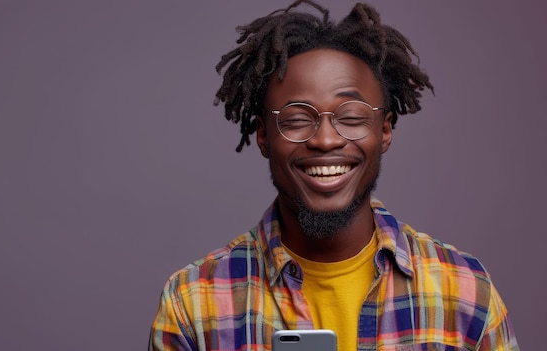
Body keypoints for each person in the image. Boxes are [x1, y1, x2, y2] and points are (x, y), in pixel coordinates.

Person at [149, 1, 519, 350]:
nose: (325, 140)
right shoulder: (193, 306)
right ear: (263, 134)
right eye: (296, 120)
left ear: (385, 130)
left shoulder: (467, 295)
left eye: (352, 118)